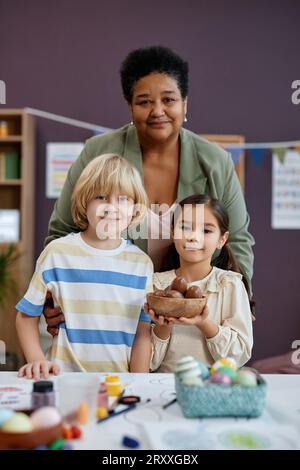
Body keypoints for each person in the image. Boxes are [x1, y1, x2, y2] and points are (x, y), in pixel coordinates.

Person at [44, 45, 254, 335]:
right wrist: (50, 299)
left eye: (169, 99)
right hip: (108, 310)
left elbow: (238, 240)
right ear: (130, 106)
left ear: (185, 104)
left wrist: (241, 299)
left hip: (190, 314)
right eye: (144, 102)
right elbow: (62, 230)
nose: (158, 111)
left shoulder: (215, 161)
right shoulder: (98, 151)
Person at [16, 154, 153, 379]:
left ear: (135, 208)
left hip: (118, 385)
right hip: (62, 379)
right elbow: (25, 316)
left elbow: (142, 333)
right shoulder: (56, 253)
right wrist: (37, 360)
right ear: (84, 202)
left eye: (123, 199)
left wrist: (140, 383)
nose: (112, 208)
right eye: (101, 197)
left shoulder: (142, 264)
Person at [147, 194, 253, 372]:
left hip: (213, 388)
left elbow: (239, 355)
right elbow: (148, 363)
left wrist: (203, 323)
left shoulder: (229, 285)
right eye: (185, 227)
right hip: (164, 387)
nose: (193, 237)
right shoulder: (156, 285)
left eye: (206, 230)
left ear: (222, 239)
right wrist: (163, 326)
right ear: (173, 232)